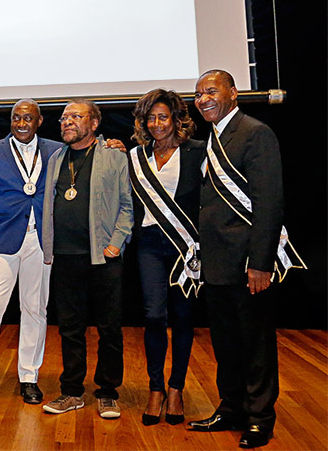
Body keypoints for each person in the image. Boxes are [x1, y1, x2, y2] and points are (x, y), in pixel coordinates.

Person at [188, 70, 297, 449]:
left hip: (248, 264)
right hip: (217, 264)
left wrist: (261, 262)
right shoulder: (213, 139)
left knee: (255, 345)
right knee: (226, 344)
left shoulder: (255, 132)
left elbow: (270, 203)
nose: (203, 99)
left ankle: (260, 418)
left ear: (233, 93)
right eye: (199, 93)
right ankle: (231, 408)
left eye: (211, 91)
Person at [0, 99, 60, 408]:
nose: (20, 123)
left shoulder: (57, 150)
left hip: (41, 243)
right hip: (2, 244)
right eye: (16, 117)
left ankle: (29, 377)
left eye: (27, 118)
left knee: (35, 309)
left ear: (39, 121)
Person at [41, 99, 133, 419]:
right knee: (69, 329)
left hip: (102, 257)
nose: (67, 122)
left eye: (75, 117)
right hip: (65, 257)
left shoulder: (113, 154)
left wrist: (116, 243)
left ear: (94, 123)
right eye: (64, 117)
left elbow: (127, 203)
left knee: (109, 328)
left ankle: (107, 392)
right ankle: (71, 392)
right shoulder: (56, 158)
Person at [127, 90, 205, 426]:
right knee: (154, 315)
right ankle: (155, 387)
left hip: (185, 246)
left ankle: (176, 388)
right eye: (151, 118)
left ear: (176, 118)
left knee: (184, 317)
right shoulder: (136, 156)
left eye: (163, 117)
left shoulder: (198, 152)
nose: (157, 124)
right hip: (149, 245)